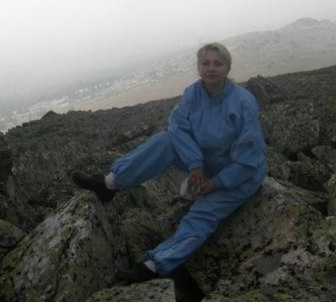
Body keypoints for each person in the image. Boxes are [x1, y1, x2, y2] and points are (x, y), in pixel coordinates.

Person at [72, 42, 267, 283]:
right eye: (205, 63)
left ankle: (154, 265)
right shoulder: (193, 93)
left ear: (228, 68)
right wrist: (195, 165)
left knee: (203, 213)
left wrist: (216, 183)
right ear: (198, 67)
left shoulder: (242, 102)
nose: (211, 68)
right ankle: (110, 184)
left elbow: (249, 158)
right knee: (164, 141)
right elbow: (177, 127)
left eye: (218, 63)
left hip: (239, 175)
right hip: (206, 164)